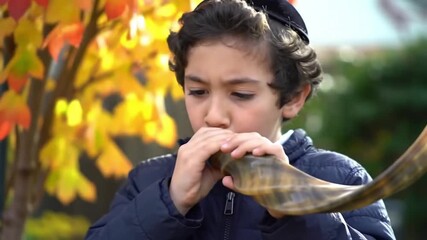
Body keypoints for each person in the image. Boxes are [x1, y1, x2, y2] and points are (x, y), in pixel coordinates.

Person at [85, 0, 396, 239]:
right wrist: (169, 201)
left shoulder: (341, 177)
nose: (214, 116)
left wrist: (295, 207)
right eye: (197, 91)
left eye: (241, 94)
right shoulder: (149, 180)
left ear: (293, 97)